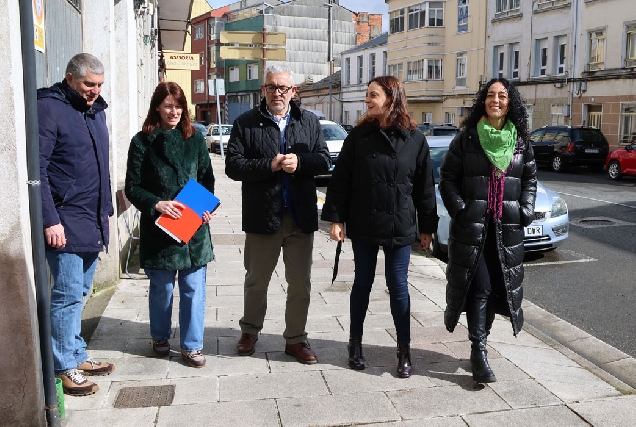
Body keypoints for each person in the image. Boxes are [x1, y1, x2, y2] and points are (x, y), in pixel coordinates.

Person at [321, 76, 439, 378]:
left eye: (373, 95)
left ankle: (404, 351)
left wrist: (427, 227)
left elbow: (425, 187)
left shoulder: (415, 138)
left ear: (391, 97)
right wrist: (336, 219)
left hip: (399, 223)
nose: (367, 100)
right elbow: (341, 180)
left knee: (398, 286)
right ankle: (355, 344)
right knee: (362, 283)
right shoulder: (358, 136)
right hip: (365, 220)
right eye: (367, 95)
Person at [225, 64, 330, 364]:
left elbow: (324, 160)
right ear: (263, 90)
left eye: (283, 88)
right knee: (256, 281)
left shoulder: (309, 121)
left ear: (293, 91)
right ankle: (249, 331)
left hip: (300, 217)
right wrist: (269, 165)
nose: (277, 93)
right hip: (262, 216)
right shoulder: (246, 122)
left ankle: (296, 339)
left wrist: (301, 163)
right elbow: (233, 165)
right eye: (271, 87)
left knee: (300, 284)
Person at [438, 78, 537, 383]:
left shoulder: (520, 142)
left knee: (495, 289)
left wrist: (525, 210)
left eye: (502, 96)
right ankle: (478, 351)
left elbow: (530, 180)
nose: (496, 100)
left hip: (506, 229)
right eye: (491, 95)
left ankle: (481, 343)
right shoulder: (467, 138)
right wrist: (460, 209)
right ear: (483, 100)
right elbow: (448, 178)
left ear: (510, 103)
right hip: (473, 228)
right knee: (479, 286)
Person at [38, 53, 114, 396]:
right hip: (65, 220)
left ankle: (76, 354)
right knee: (67, 295)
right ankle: (62, 366)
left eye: (99, 85)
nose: (95, 91)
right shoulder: (49, 108)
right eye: (88, 84)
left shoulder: (95, 111)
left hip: (92, 218)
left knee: (81, 291)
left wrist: (107, 208)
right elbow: (37, 170)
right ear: (69, 78)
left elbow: (99, 165)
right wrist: (50, 219)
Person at [125, 82, 215, 369]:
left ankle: (192, 346)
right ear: (157, 108)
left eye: (178, 106)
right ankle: (160, 336)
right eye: (168, 106)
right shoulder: (142, 142)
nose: (174, 112)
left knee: (193, 289)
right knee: (162, 290)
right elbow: (132, 187)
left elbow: (206, 178)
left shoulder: (195, 139)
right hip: (160, 230)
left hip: (194, 230)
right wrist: (156, 204)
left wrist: (206, 208)